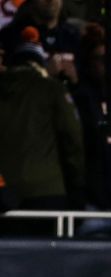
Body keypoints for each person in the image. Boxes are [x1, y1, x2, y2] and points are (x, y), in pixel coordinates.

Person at [0, 26, 84, 233]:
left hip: (4, 195)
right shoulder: (52, 88)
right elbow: (73, 140)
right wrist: (77, 190)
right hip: (47, 192)